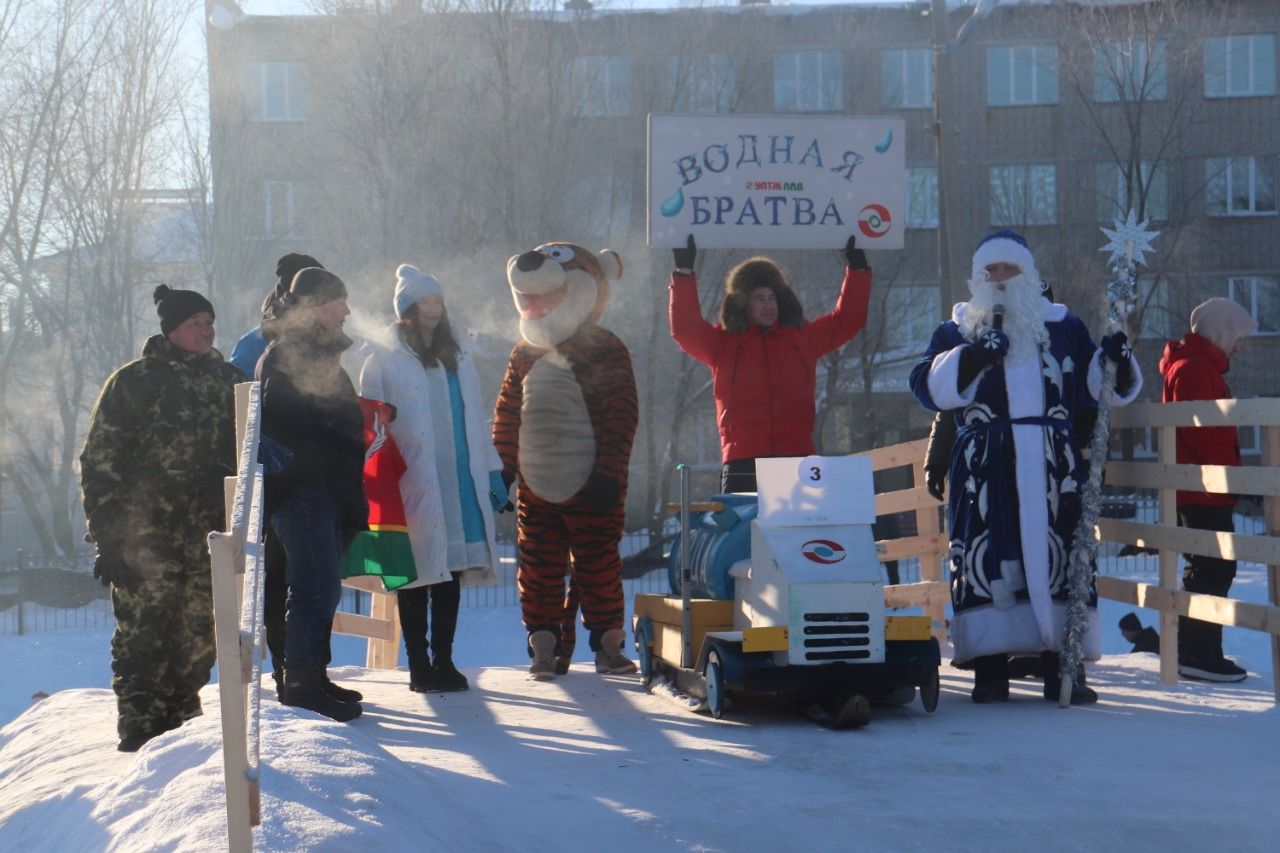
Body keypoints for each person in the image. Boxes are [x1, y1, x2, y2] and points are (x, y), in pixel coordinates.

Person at [909, 229, 1143, 705]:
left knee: (1062, 559)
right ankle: (990, 670)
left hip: (1051, 464)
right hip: (984, 468)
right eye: (989, 271)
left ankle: (1065, 666)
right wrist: (971, 358)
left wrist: (1115, 358)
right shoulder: (957, 330)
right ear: (976, 279)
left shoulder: (1062, 326)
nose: (999, 280)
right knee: (988, 560)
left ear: (1028, 275)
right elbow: (924, 384)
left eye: (1008, 269)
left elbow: (1095, 387)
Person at [81, 285, 242, 751]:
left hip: (207, 536)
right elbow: (100, 461)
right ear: (171, 329)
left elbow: (250, 453)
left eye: (210, 321)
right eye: (196, 322)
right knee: (144, 635)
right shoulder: (133, 382)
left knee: (197, 637)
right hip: (142, 538)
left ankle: (180, 726)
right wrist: (107, 535)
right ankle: (139, 730)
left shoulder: (229, 380)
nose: (207, 329)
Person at [355, 264, 503, 693]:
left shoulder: (458, 357)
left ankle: (445, 660)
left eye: (438, 301)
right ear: (407, 309)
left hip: (457, 480)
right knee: (416, 575)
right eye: (425, 302)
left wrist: (491, 469)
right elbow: (369, 421)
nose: (434, 310)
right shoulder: (382, 358)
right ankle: (419, 664)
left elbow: (475, 419)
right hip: (412, 481)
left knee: (450, 572)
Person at [667, 233, 871, 493]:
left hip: (796, 461)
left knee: (797, 534)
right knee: (746, 534)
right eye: (758, 298)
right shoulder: (724, 344)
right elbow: (685, 329)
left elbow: (847, 320)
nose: (768, 305)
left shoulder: (802, 339)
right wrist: (684, 272)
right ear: (743, 304)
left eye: (772, 298)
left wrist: (857, 269)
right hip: (743, 462)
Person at [259, 266, 367, 721]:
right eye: (337, 302)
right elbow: (282, 426)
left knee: (321, 587)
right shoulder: (290, 354)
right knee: (314, 587)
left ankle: (311, 673)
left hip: (322, 490)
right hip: (303, 493)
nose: (346, 311)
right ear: (315, 308)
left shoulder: (315, 352)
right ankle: (301, 683)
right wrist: (319, 465)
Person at [229, 252, 325, 700]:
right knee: (281, 572)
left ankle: (310, 667)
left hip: (307, 473)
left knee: (308, 575)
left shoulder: (322, 339)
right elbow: (241, 409)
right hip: (274, 475)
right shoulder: (257, 344)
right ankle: (290, 666)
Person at [1159, 297, 1256, 683]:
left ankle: (1196, 649)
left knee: (1209, 567)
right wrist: (1236, 475)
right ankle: (1198, 653)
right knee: (1212, 567)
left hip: (1202, 486)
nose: (1240, 345)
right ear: (1220, 332)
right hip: (1203, 487)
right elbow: (1202, 433)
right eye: (1237, 336)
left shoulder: (1196, 367)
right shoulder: (1195, 370)